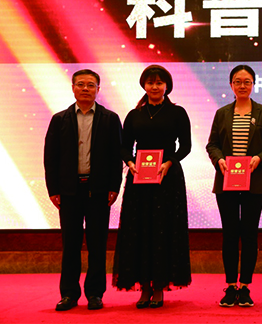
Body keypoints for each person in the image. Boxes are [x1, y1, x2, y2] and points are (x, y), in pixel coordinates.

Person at [112, 65, 192, 308]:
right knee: (139, 230)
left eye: (159, 83)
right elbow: (124, 146)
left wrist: (169, 161)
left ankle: (158, 288)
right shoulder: (134, 114)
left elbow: (185, 146)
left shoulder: (177, 112)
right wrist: (130, 162)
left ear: (167, 86)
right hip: (139, 180)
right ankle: (144, 288)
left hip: (167, 178)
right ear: (144, 85)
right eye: (150, 83)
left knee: (163, 230)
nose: (154, 87)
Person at [44, 69, 123, 311]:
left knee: (97, 244)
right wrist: (53, 189)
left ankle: (95, 293)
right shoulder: (59, 119)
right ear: (73, 88)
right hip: (69, 191)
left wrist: (114, 186)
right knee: (71, 244)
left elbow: (116, 156)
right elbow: (51, 157)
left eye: (90, 85)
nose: (85, 88)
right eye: (80, 84)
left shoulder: (110, 119)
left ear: (98, 89)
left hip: (98, 190)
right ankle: (69, 294)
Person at [206, 65, 262, 307]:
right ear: (231, 85)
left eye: (247, 81)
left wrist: (259, 158)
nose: (242, 85)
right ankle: (230, 286)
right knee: (230, 234)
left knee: (249, 234)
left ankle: (246, 286)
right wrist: (219, 159)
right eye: (237, 81)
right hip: (226, 182)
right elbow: (212, 144)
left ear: (253, 84)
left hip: (254, 182)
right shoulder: (222, 113)